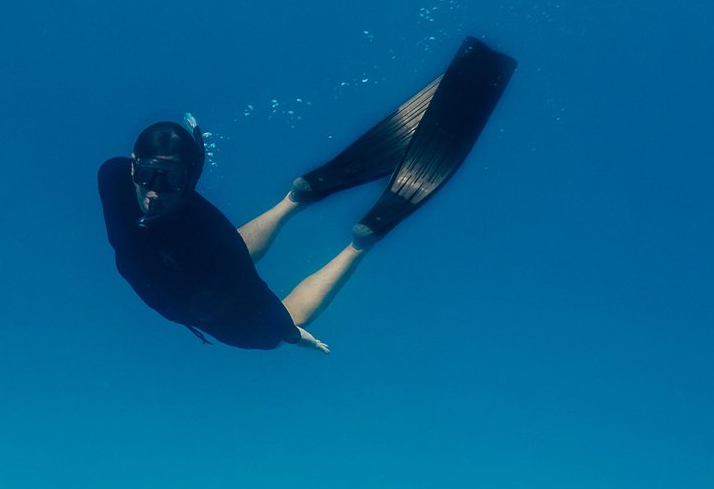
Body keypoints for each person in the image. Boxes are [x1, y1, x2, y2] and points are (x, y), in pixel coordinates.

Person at [98, 37, 516, 354]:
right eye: (148, 174)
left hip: (216, 306)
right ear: (132, 164)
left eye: (170, 180)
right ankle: (294, 200)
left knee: (284, 324)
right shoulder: (112, 177)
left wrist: (292, 334)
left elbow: (237, 272)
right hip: (191, 263)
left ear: (189, 180)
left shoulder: (213, 241)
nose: (154, 192)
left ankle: (362, 241)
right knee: (214, 252)